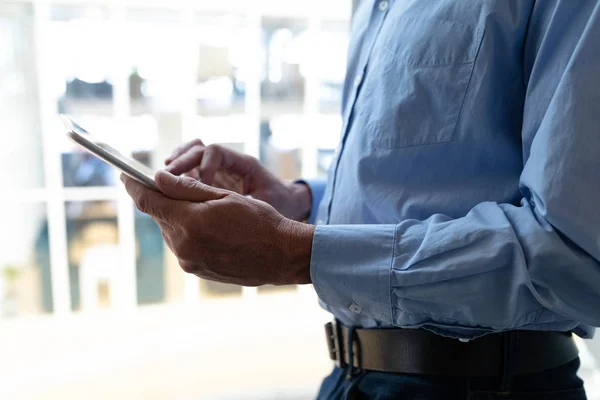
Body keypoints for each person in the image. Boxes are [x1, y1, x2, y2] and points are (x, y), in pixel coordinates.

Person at [121, 1, 600, 398]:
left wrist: (296, 252)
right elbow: (422, 185)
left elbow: (575, 253)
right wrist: (301, 203)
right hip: (349, 379)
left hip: (488, 386)